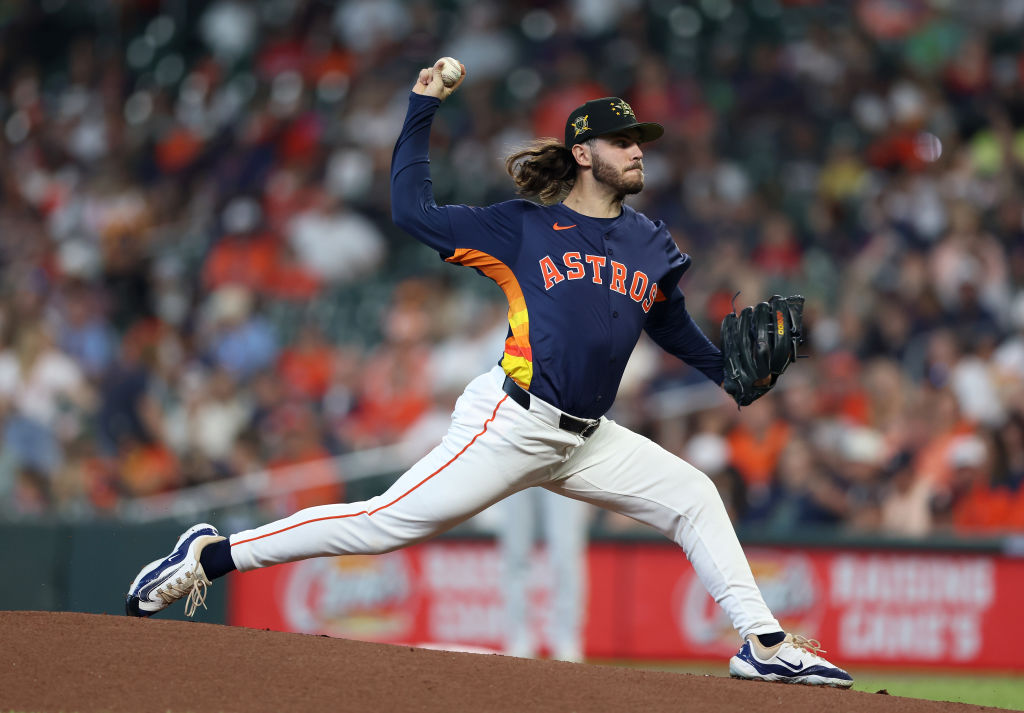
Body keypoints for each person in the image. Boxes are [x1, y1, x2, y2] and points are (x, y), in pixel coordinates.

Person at [125, 60, 853, 688]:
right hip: (511, 419)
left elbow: (668, 325)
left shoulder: (650, 242)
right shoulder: (522, 226)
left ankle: (763, 646)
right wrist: (422, 107)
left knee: (695, 494)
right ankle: (210, 555)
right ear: (582, 151)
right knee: (380, 524)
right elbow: (411, 211)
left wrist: (729, 373)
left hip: (589, 437)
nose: (638, 151)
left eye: (641, 140)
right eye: (623, 140)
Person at [498, 487, 588, 662]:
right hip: (517, 463)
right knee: (515, 554)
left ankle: (567, 643)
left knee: (565, 555)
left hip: (563, 462)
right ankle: (518, 641)